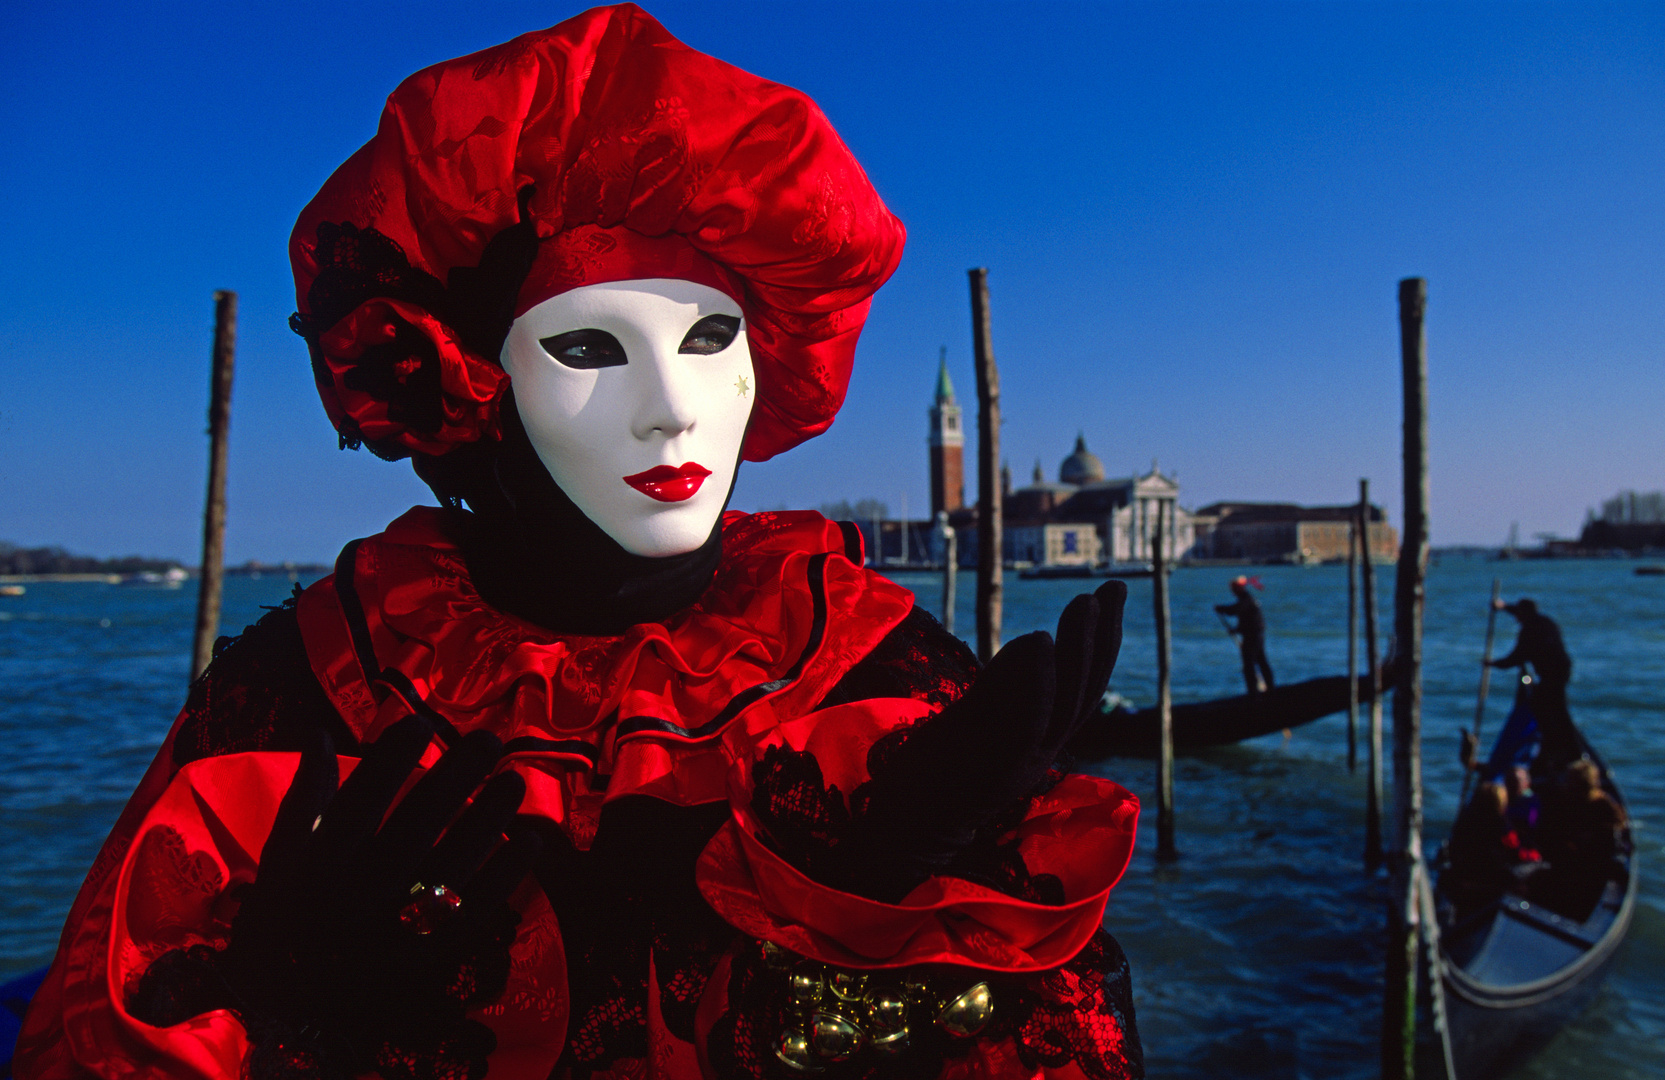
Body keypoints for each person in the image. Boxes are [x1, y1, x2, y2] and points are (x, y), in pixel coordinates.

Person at [14, 8, 1144, 1080]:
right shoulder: (307, 696)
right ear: (471, 385)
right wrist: (287, 1025)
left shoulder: (871, 671)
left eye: (710, 338)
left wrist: (886, 913)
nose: (673, 409)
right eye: (592, 348)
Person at [1487, 597, 1578, 769]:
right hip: (1560, 670)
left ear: (1524, 614)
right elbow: (1520, 611)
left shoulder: (1529, 630)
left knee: (1551, 709)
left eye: (1518, 614)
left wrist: (1493, 664)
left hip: (1553, 674)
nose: (1516, 618)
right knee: (1549, 707)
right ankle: (1556, 747)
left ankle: (1562, 750)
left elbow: (1517, 657)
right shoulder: (1544, 621)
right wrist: (1504, 606)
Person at [1215, 576, 1274, 695]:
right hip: (1254, 635)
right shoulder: (1247, 599)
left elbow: (1235, 610)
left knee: (1250, 664)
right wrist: (1236, 630)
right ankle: (1265, 689)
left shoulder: (1247, 600)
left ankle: (1255, 691)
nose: (1233, 591)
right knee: (1259, 661)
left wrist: (1221, 608)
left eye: (1234, 589)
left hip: (1253, 636)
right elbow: (1245, 620)